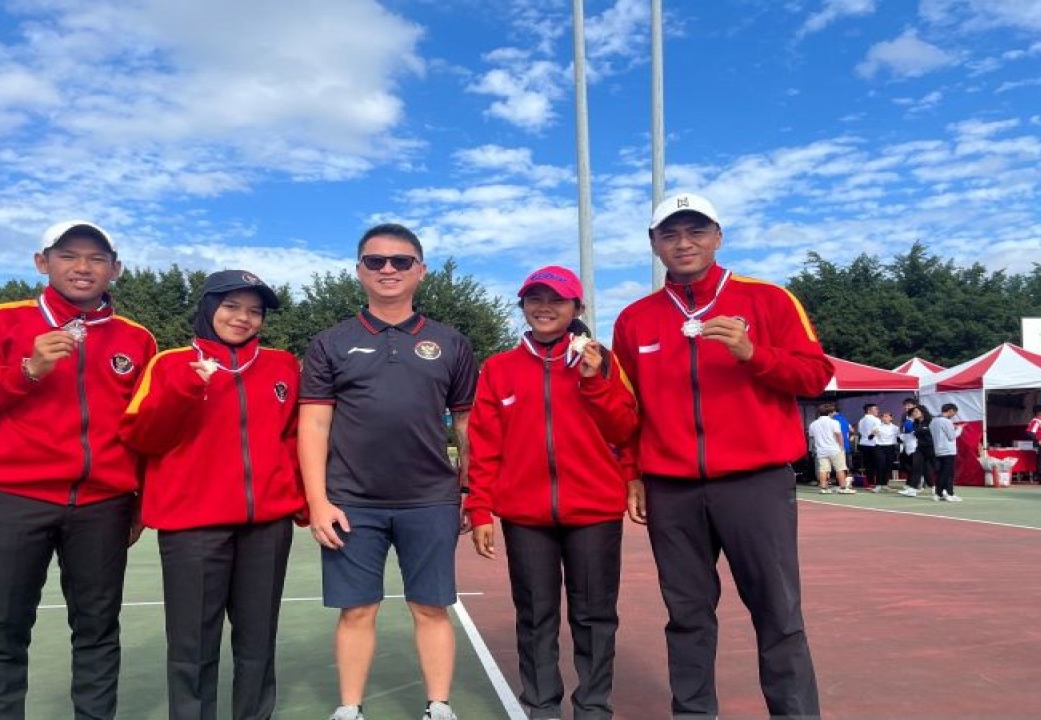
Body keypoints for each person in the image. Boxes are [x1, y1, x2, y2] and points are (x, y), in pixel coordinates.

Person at [614, 192, 830, 718]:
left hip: (756, 483)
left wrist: (753, 354)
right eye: (670, 234)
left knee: (778, 613)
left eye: (696, 231)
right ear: (653, 244)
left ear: (718, 235)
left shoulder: (770, 300)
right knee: (686, 616)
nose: (683, 243)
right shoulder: (635, 320)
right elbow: (626, 410)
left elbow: (815, 375)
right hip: (672, 487)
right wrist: (632, 474)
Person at [0, 220, 157, 719]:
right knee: (3, 632)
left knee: (99, 632)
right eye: (68, 255)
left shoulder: (137, 339)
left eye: (97, 258)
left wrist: (140, 500)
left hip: (103, 506)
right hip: (16, 501)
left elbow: (142, 429)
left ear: (115, 269)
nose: (83, 267)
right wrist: (26, 371)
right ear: (43, 262)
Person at [298, 223, 478, 720]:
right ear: (359, 271)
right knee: (356, 611)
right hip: (352, 502)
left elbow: (465, 423)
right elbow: (313, 423)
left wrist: (472, 489)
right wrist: (318, 501)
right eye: (375, 261)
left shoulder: (450, 342)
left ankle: (437, 706)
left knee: (431, 607)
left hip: (431, 500)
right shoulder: (331, 342)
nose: (388, 269)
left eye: (400, 261)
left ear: (420, 270)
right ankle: (350, 708)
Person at [119, 270, 305, 720]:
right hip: (192, 528)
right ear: (207, 308)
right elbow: (143, 437)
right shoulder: (168, 364)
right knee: (192, 644)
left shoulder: (283, 366)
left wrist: (298, 500)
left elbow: (295, 437)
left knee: (258, 641)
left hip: (266, 526)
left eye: (254, 311)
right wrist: (187, 387)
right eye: (231, 306)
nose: (243, 318)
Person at [466, 266, 638, 720]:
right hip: (525, 516)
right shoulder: (498, 369)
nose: (545, 307)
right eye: (535, 298)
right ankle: (541, 706)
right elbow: (484, 444)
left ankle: (593, 707)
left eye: (557, 299)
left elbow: (625, 427)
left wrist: (594, 381)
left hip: (595, 511)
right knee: (536, 616)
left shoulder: (602, 359)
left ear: (577, 308)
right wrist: (479, 508)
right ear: (523, 306)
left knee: (594, 617)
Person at [808, 402, 851, 494]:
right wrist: (841, 446)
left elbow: (811, 436)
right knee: (840, 468)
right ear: (830, 412)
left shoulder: (813, 424)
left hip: (821, 450)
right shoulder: (834, 422)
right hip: (834, 448)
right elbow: (839, 435)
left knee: (823, 469)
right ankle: (843, 488)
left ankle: (824, 488)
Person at [898, 405, 934, 498]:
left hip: (931, 448)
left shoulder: (930, 421)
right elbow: (913, 432)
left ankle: (939, 487)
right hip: (919, 448)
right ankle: (913, 489)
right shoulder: (915, 423)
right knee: (916, 467)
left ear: (923, 412)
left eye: (916, 411)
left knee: (934, 468)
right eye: (913, 412)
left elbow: (930, 433)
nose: (914, 413)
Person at [931, 404, 962, 502]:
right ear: (951, 411)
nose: (954, 415)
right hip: (948, 450)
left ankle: (944, 493)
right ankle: (944, 493)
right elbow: (952, 436)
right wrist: (959, 429)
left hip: (938, 449)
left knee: (942, 472)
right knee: (947, 473)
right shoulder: (947, 421)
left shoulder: (933, 421)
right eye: (954, 412)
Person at [857, 403, 886, 491]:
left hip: (864, 444)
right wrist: (872, 436)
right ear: (869, 410)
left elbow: (859, 431)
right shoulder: (875, 419)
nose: (878, 410)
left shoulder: (861, 420)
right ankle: (879, 483)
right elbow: (877, 430)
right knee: (879, 464)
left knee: (869, 465)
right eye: (875, 409)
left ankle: (870, 483)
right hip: (873, 444)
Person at [875, 411, 901, 489]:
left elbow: (899, 438)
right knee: (880, 465)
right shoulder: (878, 426)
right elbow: (870, 437)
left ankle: (885, 484)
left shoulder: (895, 428)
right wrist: (872, 433)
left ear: (891, 418)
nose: (884, 418)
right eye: (883, 416)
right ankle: (878, 484)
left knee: (888, 466)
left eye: (886, 416)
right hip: (880, 447)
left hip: (891, 447)